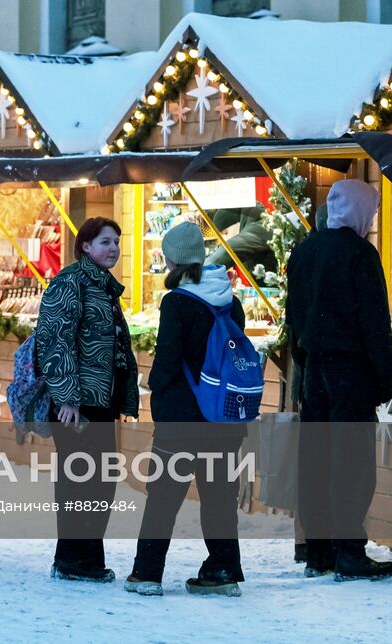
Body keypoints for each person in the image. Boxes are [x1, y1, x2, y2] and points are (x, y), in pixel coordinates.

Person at [126, 222, 247, 597]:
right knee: (219, 496)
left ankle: (147, 573)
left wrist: (156, 390)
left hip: (182, 415)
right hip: (224, 415)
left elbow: (168, 359)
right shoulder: (231, 300)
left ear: (172, 258)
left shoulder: (177, 301)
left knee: (164, 495)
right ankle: (223, 570)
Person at [287, 179, 392, 581]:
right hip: (351, 373)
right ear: (360, 211)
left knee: (316, 460)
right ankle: (350, 551)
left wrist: (303, 364)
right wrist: (383, 380)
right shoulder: (360, 254)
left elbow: (293, 316)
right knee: (352, 463)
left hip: (313, 368)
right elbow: (374, 323)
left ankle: (318, 551)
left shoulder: (304, 251)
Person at [35, 216, 139, 583]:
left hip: (100, 400)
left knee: (99, 481)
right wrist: (66, 398)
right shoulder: (71, 283)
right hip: (76, 404)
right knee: (82, 480)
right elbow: (55, 341)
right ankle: (75, 561)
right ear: (85, 246)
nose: (113, 248)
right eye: (105, 242)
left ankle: (84, 559)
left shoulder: (103, 287)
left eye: (116, 242)